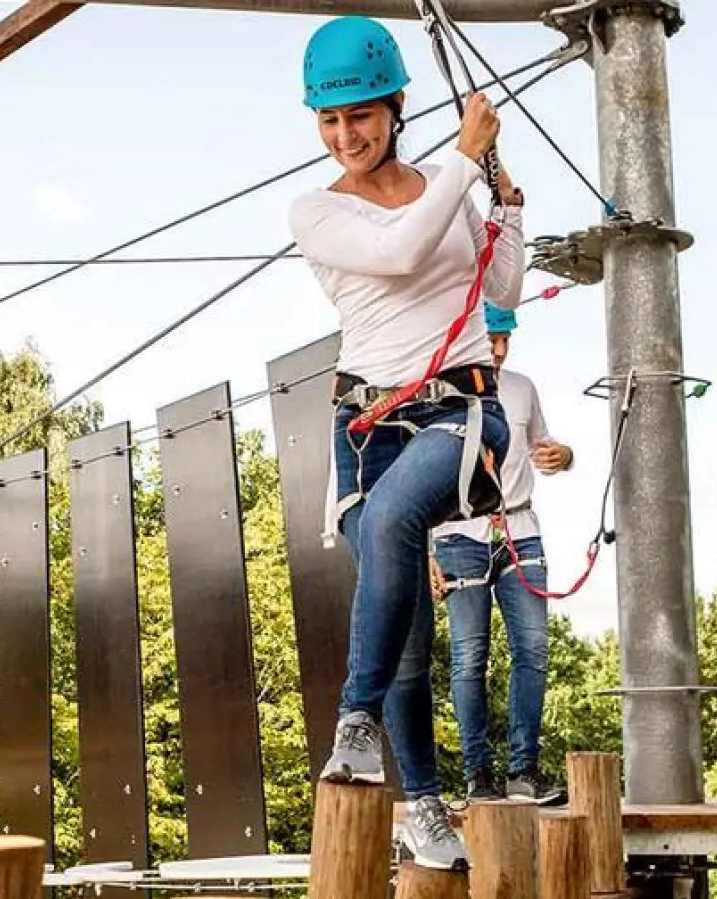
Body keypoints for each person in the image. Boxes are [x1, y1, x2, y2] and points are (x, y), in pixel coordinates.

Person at [288, 15, 527, 870]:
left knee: (392, 522)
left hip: (460, 411)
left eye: (359, 115)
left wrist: (504, 200)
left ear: (394, 108)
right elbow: (396, 253)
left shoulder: (447, 184)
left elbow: (499, 285)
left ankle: (353, 721)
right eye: (329, 120)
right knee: (403, 628)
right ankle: (423, 805)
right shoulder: (316, 211)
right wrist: (468, 162)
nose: (346, 136)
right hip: (365, 428)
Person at [430, 303, 573, 805]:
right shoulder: (439, 388)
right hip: (457, 532)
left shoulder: (521, 387)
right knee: (470, 656)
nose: (498, 348)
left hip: (519, 524)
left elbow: (545, 446)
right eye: (491, 337)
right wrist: (427, 548)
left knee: (532, 648)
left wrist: (564, 457)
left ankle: (524, 769)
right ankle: (477, 775)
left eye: (505, 339)